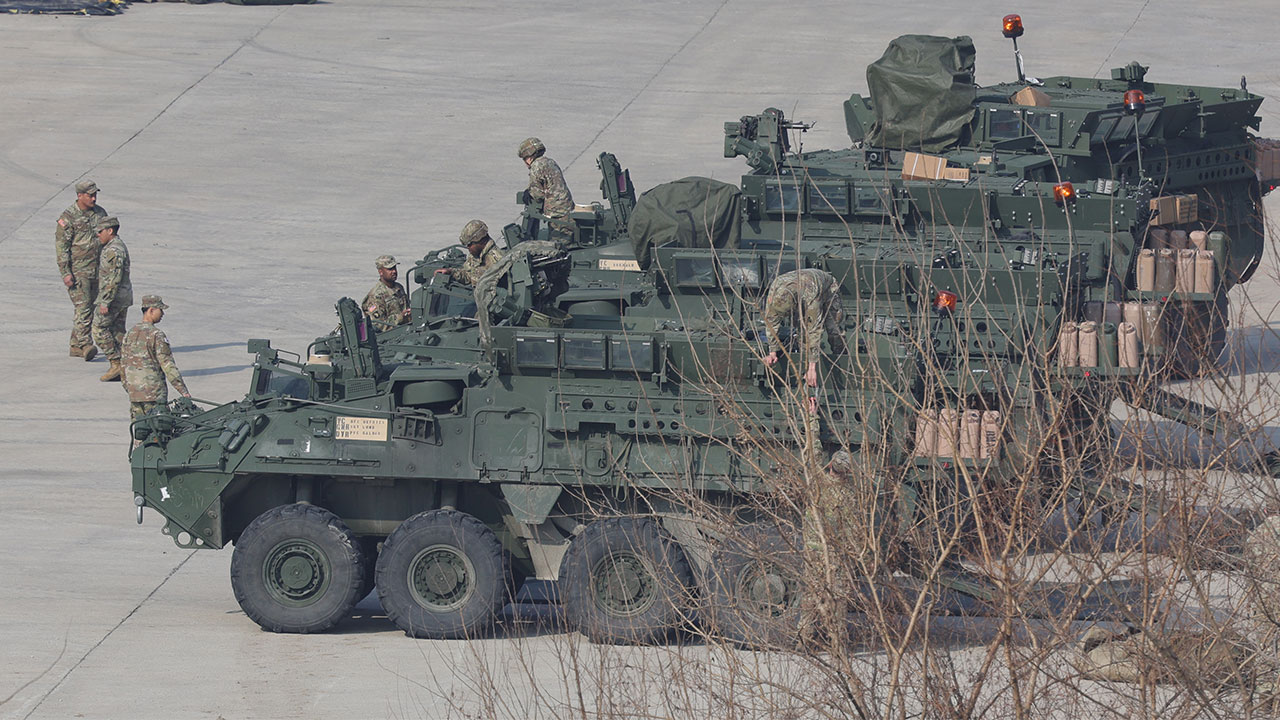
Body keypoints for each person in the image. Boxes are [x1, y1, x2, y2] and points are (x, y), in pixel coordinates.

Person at [762, 269, 847, 413]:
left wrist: (812, 368)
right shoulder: (775, 292)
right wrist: (772, 352)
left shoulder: (810, 294)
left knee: (834, 330)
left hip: (825, 289)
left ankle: (841, 360)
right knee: (801, 333)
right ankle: (804, 364)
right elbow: (771, 321)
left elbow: (814, 329)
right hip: (798, 295)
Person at [55, 180, 108, 361]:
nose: (93, 198)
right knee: (83, 307)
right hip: (79, 271)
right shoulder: (68, 217)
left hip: (98, 269)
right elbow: (62, 247)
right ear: (80, 196)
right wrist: (66, 273)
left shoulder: (100, 213)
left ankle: (75, 345)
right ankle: (85, 344)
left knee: (90, 307)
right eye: (90, 195)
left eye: (95, 195)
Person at [122, 295, 190, 421]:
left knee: (140, 430)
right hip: (154, 394)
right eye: (161, 309)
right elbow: (167, 365)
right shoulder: (156, 334)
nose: (163, 313)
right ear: (151, 310)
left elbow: (123, 366)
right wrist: (183, 391)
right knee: (157, 431)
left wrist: (130, 388)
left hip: (134, 393)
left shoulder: (129, 334)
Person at [91, 216, 132, 382]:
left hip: (114, 298)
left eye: (100, 232)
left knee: (99, 329)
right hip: (122, 296)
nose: (98, 235)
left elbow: (113, 278)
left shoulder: (113, 250)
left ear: (110, 231)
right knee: (117, 332)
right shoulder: (115, 247)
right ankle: (126, 367)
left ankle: (115, 363)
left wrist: (105, 301)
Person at [517, 137, 574, 238]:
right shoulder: (549, 162)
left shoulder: (536, 167)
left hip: (556, 213)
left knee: (558, 242)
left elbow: (537, 195)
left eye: (524, 159)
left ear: (529, 157)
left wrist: (529, 193)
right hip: (567, 207)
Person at [361, 255, 410, 332]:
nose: (394, 271)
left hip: (404, 330)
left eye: (394, 268)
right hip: (389, 337)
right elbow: (378, 326)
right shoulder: (376, 296)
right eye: (390, 269)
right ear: (381, 272)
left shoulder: (398, 287)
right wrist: (400, 317)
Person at [449, 220, 505, 285]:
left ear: (481, 241)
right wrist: (451, 272)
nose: (468, 248)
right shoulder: (476, 253)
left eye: (470, 244)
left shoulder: (496, 260)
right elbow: (468, 275)